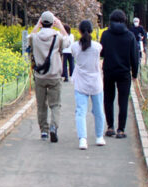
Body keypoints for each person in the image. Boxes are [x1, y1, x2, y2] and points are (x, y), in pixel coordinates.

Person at [28, 11, 70, 143]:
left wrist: (36, 26)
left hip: (40, 76)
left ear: (41, 23)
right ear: (52, 23)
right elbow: (68, 42)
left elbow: (27, 39)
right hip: (55, 75)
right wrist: (61, 27)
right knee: (55, 105)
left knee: (41, 105)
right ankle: (53, 127)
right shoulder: (57, 37)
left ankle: (44, 131)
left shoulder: (35, 38)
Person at [100, 9, 139, 139]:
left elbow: (102, 53)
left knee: (108, 99)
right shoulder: (130, 36)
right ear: (124, 20)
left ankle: (110, 127)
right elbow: (134, 56)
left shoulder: (105, 35)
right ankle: (121, 129)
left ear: (111, 20)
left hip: (109, 71)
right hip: (124, 73)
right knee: (123, 101)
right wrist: (135, 73)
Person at [71, 20, 106, 150]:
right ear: (91, 30)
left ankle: (83, 140)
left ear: (79, 31)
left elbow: (73, 50)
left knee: (80, 112)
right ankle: (99, 137)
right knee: (98, 111)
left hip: (81, 82)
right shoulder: (98, 46)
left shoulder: (75, 46)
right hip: (96, 82)